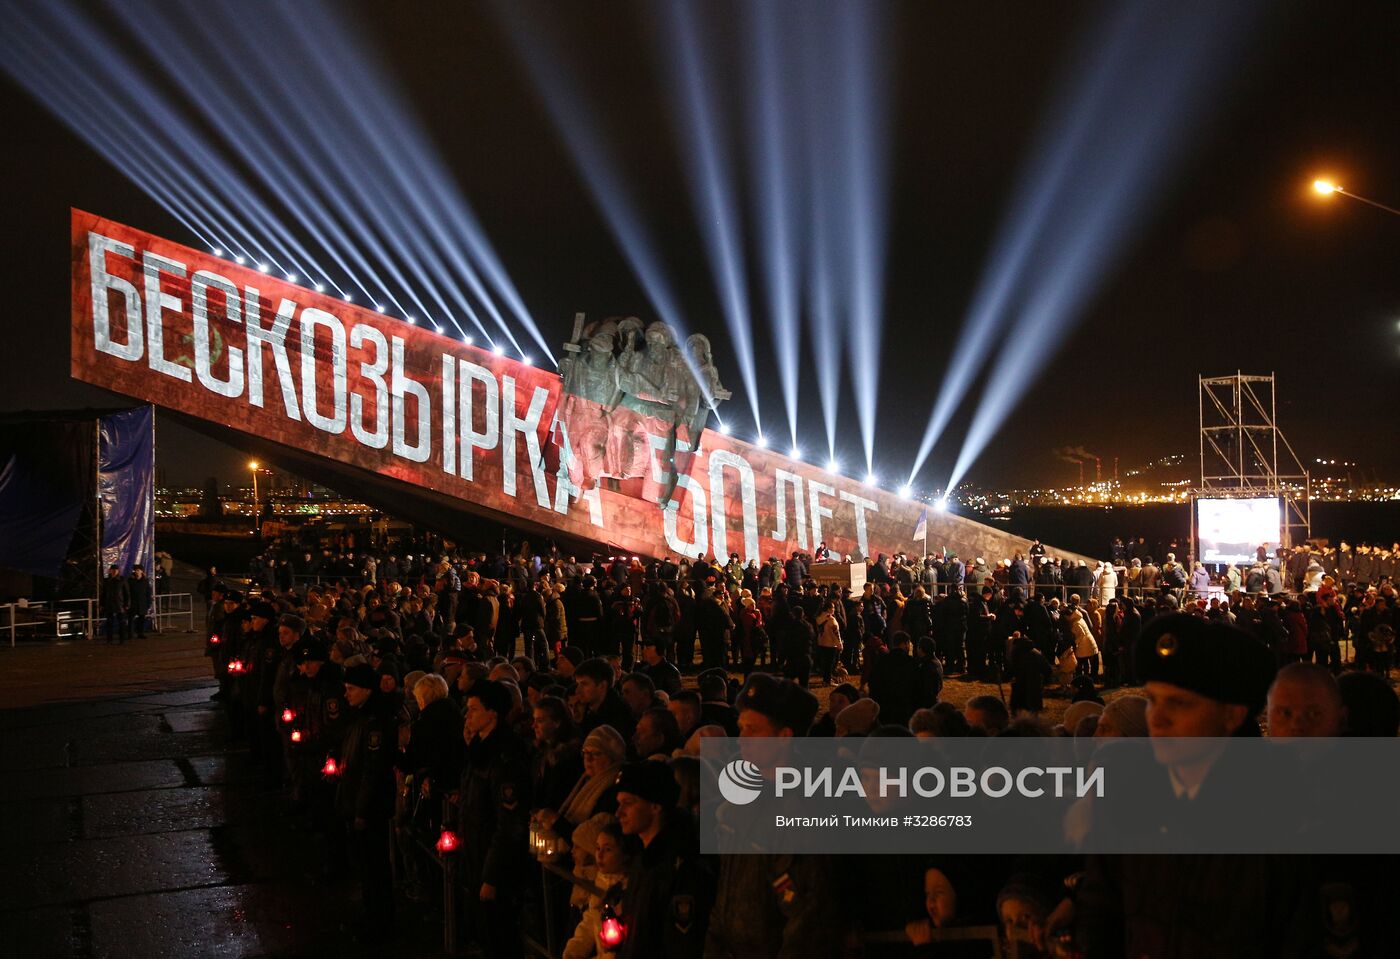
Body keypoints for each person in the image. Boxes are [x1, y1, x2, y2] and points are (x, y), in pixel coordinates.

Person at [458, 679, 532, 959]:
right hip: (476, 851)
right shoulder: (479, 749)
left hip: (494, 861)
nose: (468, 716)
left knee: (500, 936)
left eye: (474, 710)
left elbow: (508, 823)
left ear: (493, 715)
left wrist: (492, 876)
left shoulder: (505, 758)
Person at [612, 761, 714, 959]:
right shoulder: (643, 858)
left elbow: (681, 945)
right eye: (619, 803)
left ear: (655, 806)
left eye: (628, 803)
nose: (619, 813)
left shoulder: (682, 868)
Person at [336, 663, 401, 941]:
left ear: (365, 690)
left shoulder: (375, 721)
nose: (346, 695)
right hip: (357, 801)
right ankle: (372, 915)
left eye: (350, 689)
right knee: (366, 865)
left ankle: (379, 922)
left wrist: (361, 809)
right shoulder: (360, 716)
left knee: (373, 866)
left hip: (370, 807)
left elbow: (372, 770)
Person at [100, 564, 130, 644]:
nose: (114, 571)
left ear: (118, 571)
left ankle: (122, 639)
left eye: (116, 570)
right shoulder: (107, 581)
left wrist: (126, 604)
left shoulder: (122, 580)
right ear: (110, 570)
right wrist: (102, 604)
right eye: (113, 570)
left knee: (121, 623)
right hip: (109, 604)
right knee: (109, 623)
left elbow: (127, 593)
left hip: (119, 604)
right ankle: (109, 639)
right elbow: (103, 593)